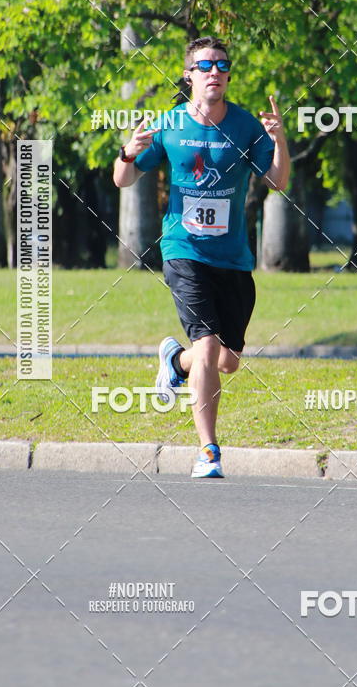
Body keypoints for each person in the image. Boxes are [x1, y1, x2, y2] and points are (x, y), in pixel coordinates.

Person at [113, 36, 290, 478]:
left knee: (226, 361)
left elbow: (277, 182)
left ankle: (175, 363)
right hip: (183, 251)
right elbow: (122, 179)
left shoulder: (248, 127)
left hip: (232, 259)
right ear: (189, 75)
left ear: (228, 76)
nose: (214, 71)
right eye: (205, 65)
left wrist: (280, 141)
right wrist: (127, 152)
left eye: (222, 65)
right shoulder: (170, 124)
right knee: (209, 347)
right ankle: (208, 451)